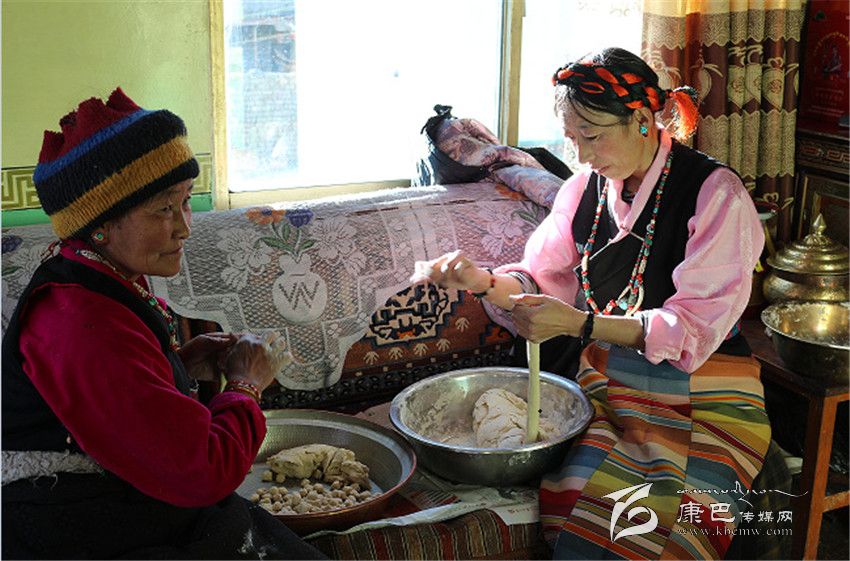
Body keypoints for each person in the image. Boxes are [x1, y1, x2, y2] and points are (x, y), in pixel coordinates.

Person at [410, 47, 771, 560]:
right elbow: (541, 283)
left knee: (667, 522)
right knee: (584, 504)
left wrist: (580, 324)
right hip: (607, 377)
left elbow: (691, 327)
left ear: (642, 119)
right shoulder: (584, 190)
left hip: (705, 381)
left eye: (593, 136)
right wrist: (482, 280)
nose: (580, 155)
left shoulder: (715, 193)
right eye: (571, 138)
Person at [1, 88, 326, 559]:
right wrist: (246, 384)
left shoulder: (97, 275)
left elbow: (114, 401)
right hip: (75, 524)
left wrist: (177, 366)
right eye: (163, 208)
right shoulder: (79, 322)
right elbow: (203, 472)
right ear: (99, 224)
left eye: (186, 201)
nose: (185, 227)